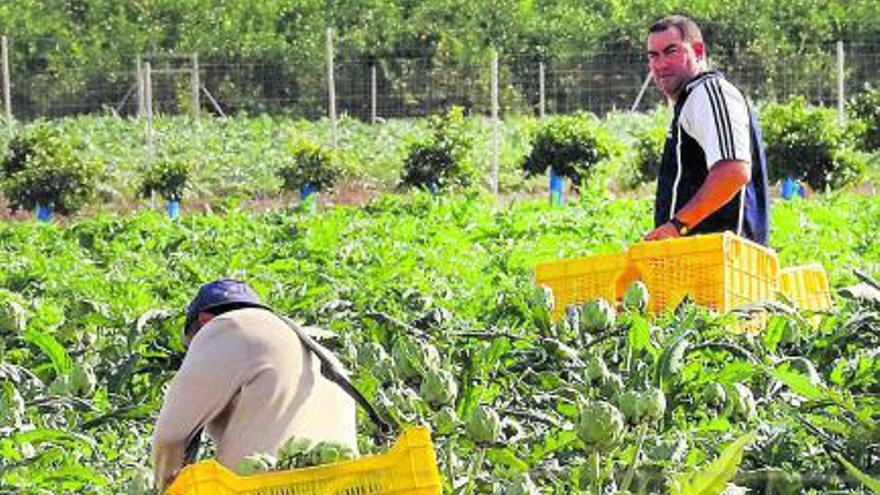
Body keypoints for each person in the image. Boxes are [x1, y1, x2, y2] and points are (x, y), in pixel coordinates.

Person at [151, 279, 358, 492]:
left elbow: (169, 438)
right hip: (349, 484)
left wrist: (165, 486)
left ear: (204, 322)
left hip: (266, 485)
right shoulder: (323, 355)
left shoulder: (225, 327)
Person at [643, 15, 770, 245]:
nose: (660, 64)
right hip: (702, 261)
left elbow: (733, 171)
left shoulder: (709, 92)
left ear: (698, 51)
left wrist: (677, 226)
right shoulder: (690, 99)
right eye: (654, 55)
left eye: (671, 51)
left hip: (722, 263)